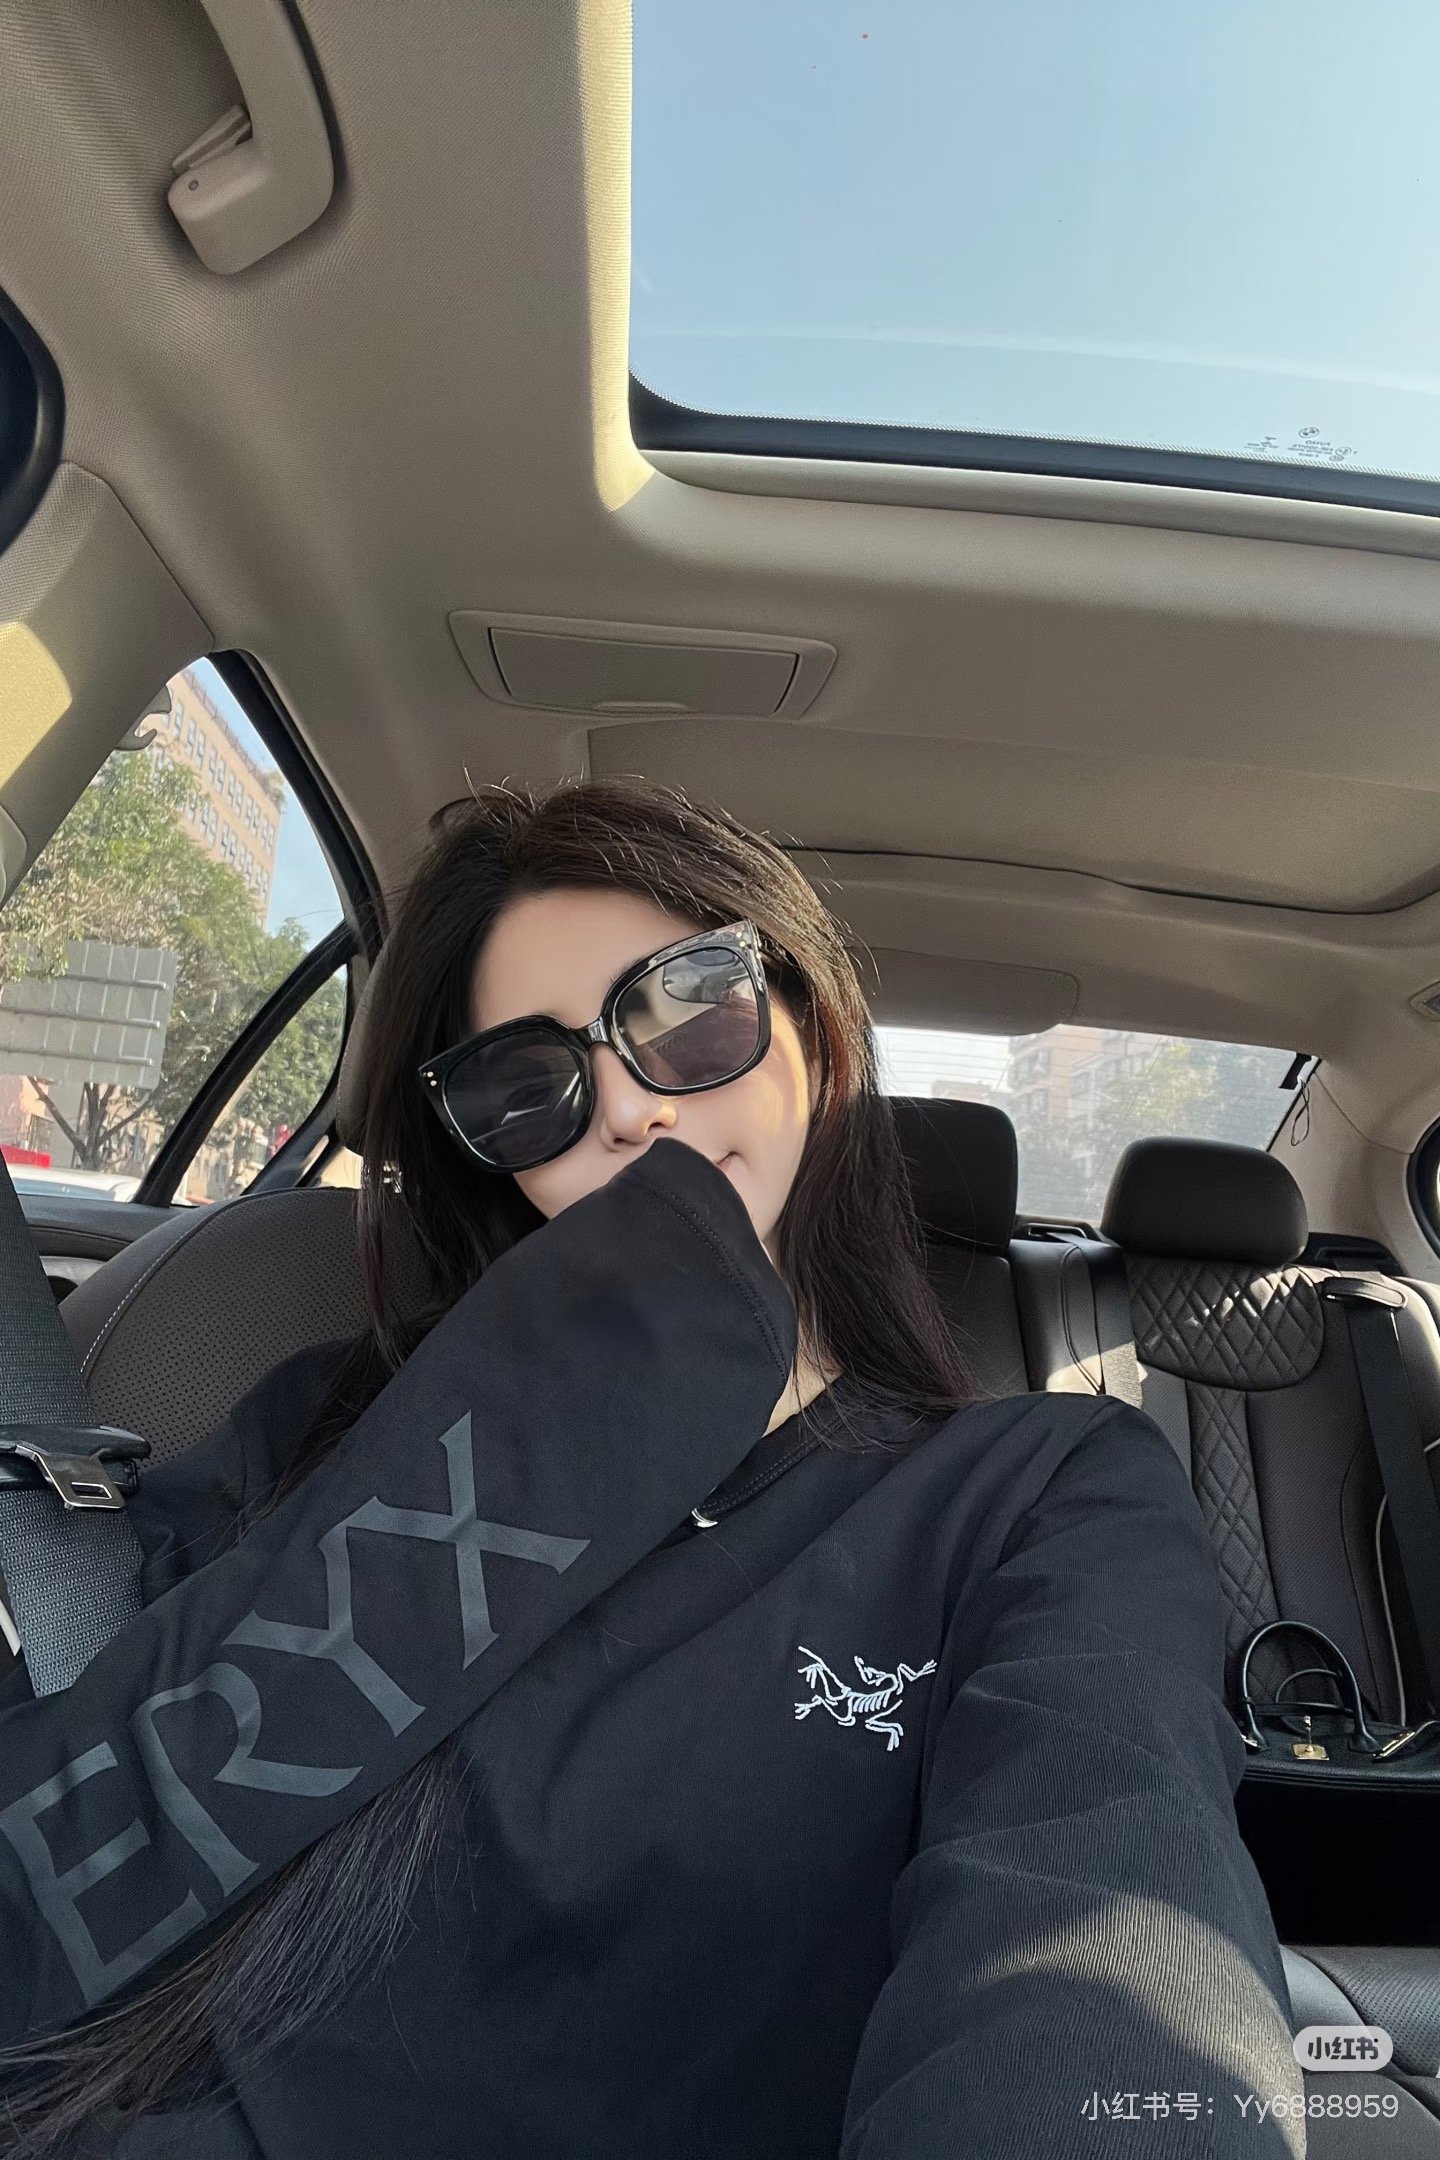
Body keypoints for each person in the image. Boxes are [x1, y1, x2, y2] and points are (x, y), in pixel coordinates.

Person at [0, 775, 1306, 2160]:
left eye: (691, 1012)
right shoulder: (338, 1416)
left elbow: (1107, 1920)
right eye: (527, 1088)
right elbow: (84, 1738)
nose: (627, 1108)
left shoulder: (1038, 1493)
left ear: (819, 1045)